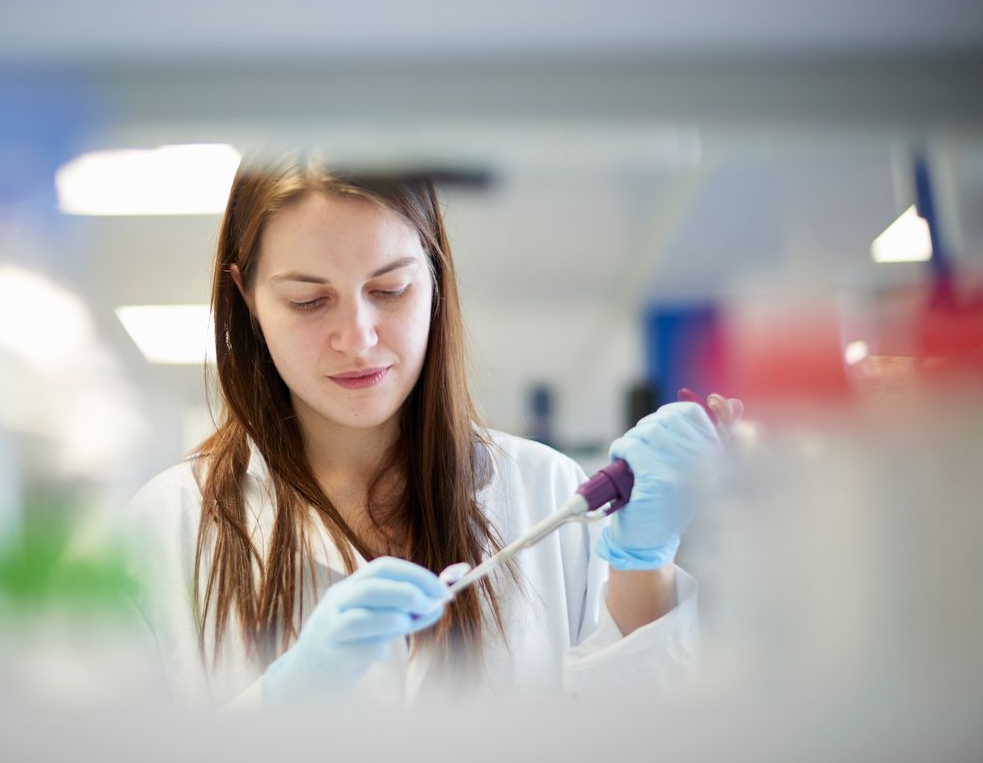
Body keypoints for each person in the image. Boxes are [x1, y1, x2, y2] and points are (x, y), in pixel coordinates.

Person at [121, 151, 731, 711]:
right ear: (246, 298)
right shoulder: (169, 526)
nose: (358, 338)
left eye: (390, 289)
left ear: (435, 275)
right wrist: (282, 704)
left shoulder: (546, 492)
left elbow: (638, 736)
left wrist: (643, 565)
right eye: (310, 300)